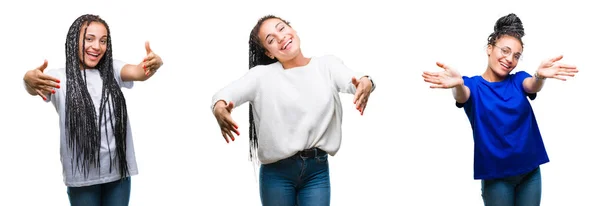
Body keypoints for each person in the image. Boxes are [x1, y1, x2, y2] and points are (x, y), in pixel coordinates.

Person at [211, 15, 375, 206]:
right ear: (269, 53)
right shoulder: (261, 76)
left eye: (281, 28)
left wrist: (366, 82)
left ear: (293, 29)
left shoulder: (327, 65)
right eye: (271, 40)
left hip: (317, 172)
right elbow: (225, 95)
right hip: (276, 175)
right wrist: (219, 107)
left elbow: (354, 80)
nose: (280, 38)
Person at [422, 13, 578, 206]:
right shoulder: (473, 85)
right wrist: (457, 84)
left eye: (516, 55)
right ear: (489, 48)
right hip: (496, 177)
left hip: (530, 172)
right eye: (504, 51)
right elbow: (462, 95)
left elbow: (532, 85)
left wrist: (540, 76)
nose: (509, 59)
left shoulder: (519, 79)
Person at [22, 14, 163, 206]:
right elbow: (34, 86)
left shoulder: (111, 70)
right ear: (74, 40)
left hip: (118, 173)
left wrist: (154, 63)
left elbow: (139, 72)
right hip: (82, 178)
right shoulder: (59, 79)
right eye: (89, 39)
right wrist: (28, 79)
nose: (97, 46)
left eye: (103, 41)